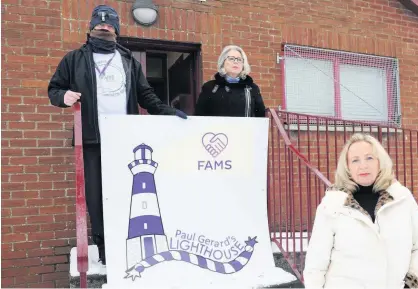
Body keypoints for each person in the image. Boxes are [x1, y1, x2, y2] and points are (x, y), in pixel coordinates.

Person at [47, 5, 187, 265]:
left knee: (127, 193)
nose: (104, 26)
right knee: (96, 196)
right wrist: (62, 97)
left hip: (124, 140)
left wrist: (168, 112)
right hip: (91, 140)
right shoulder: (74, 59)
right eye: (99, 23)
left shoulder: (128, 61)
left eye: (110, 24)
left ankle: (128, 244)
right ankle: (104, 247)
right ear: (91, 27)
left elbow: (146, 96)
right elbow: (55, 88)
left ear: (116, 29)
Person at [303, 133, 418, 289]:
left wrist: (411, 284)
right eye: (355, 160)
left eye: (369, 158)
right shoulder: (332, 205)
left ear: (380, 162)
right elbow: (316, 263)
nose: (363, 165)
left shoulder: (402, 198)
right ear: (348, 167)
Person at [194, 45, 266, 117]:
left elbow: (260, 116)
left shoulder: (252, 88)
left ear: (243, 64)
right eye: (231, 59)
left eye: (239, 59)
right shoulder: (210, 87)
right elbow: (200, 115)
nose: (236, 62)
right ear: (223, 62)